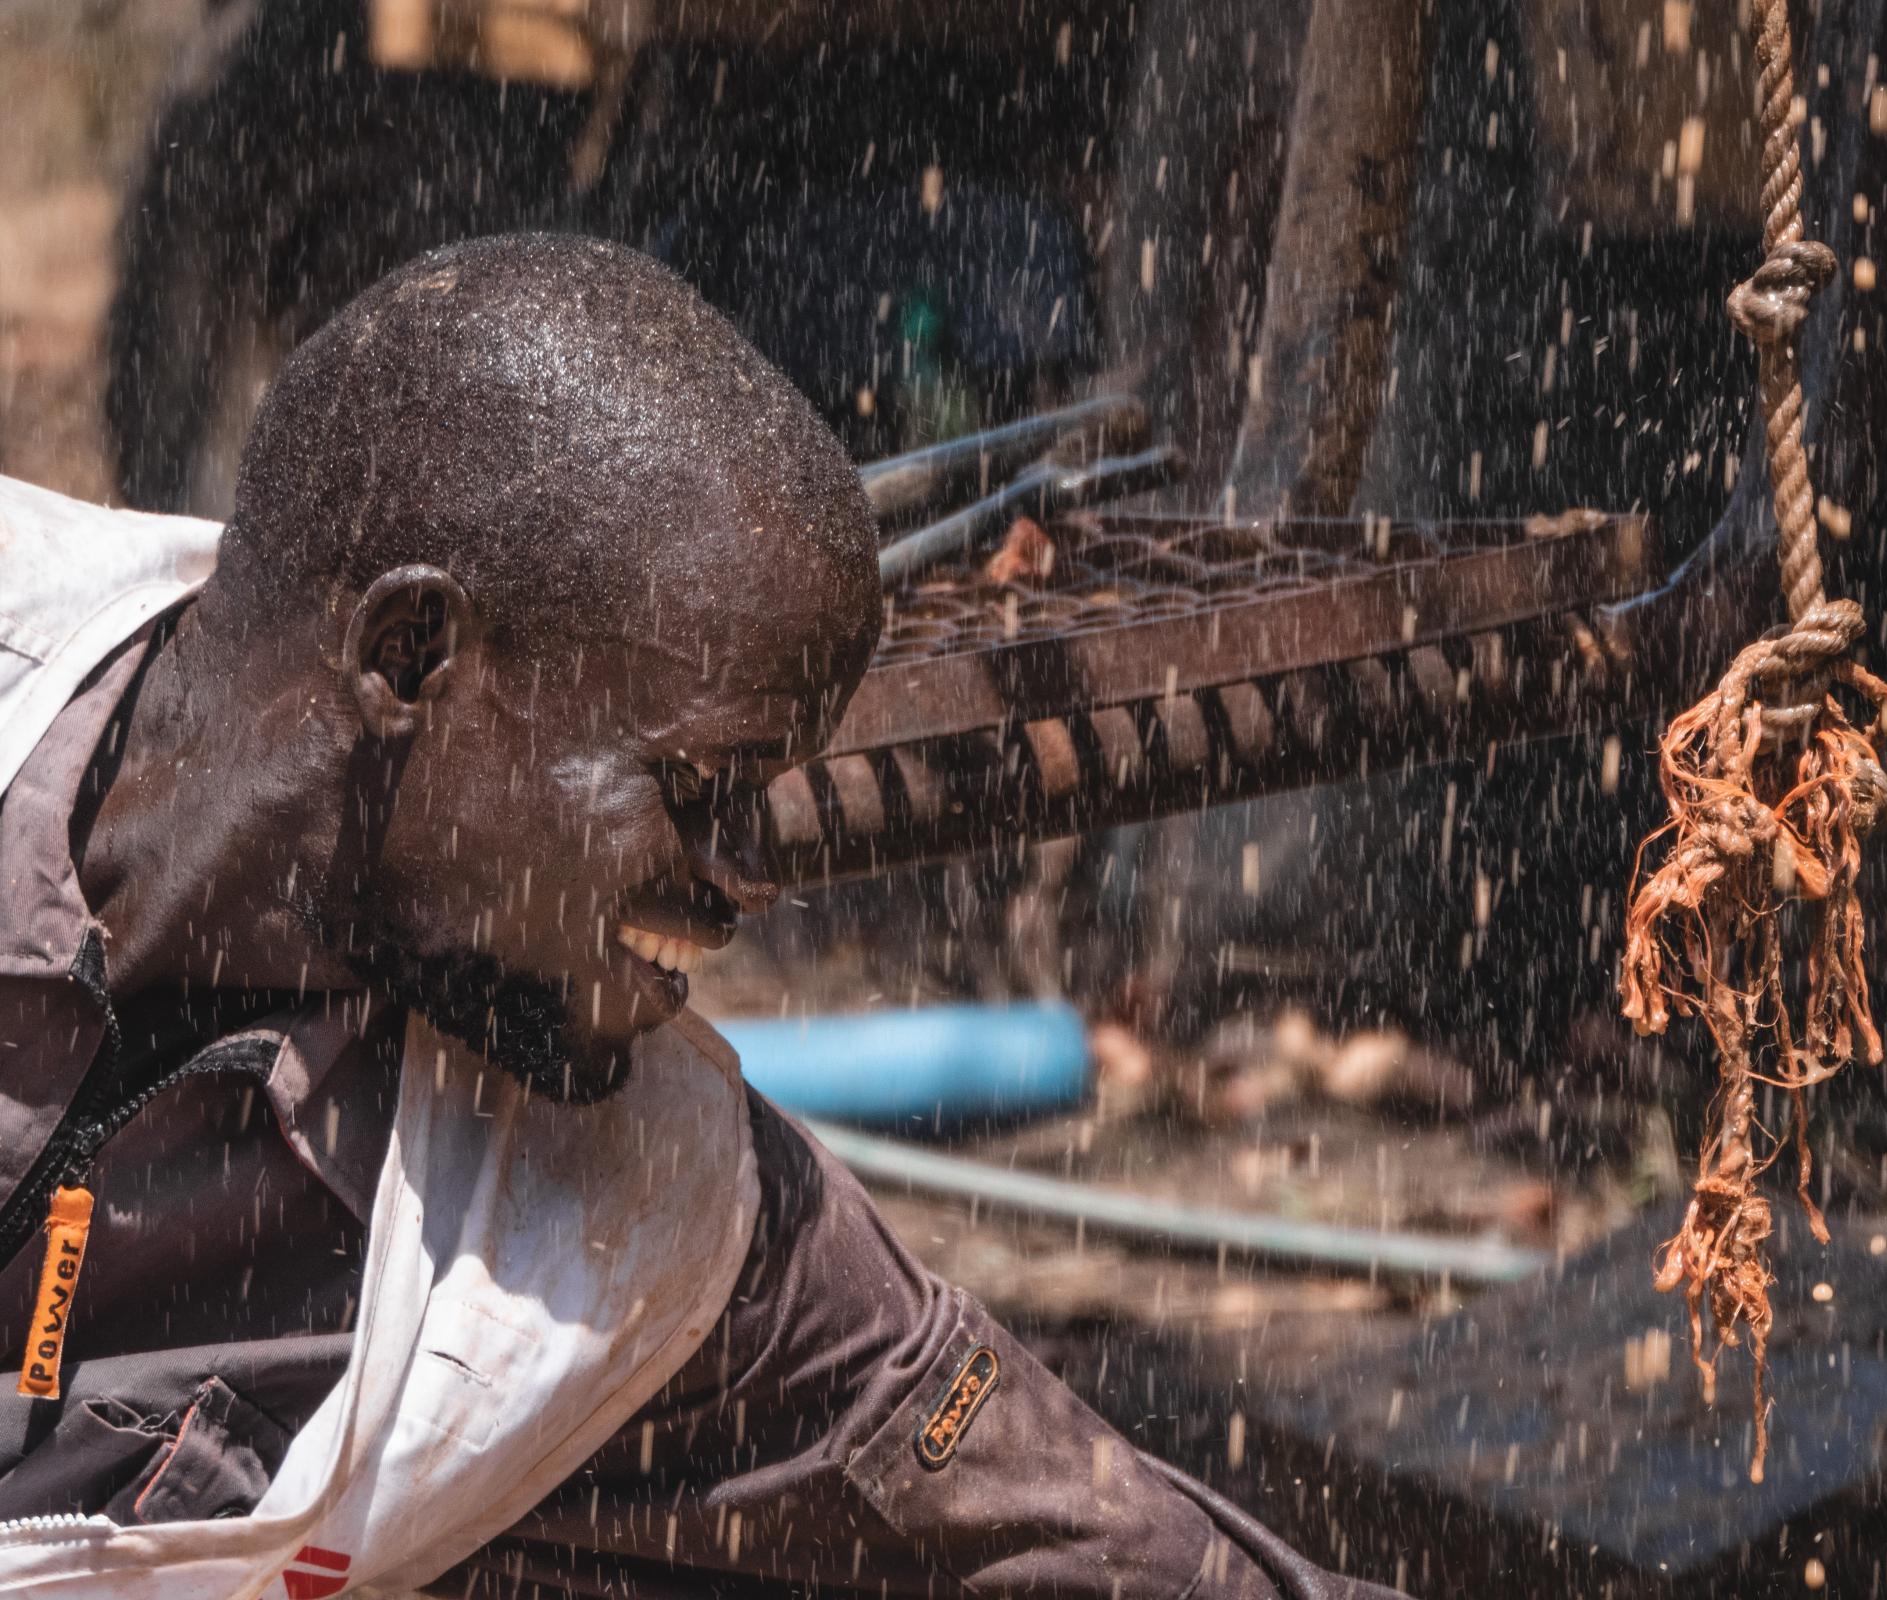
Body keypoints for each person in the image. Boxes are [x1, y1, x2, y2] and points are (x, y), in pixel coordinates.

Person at [0, 233, 1397, 1597]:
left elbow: (1092, 1536)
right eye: (697, 787)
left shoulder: (646, 1218)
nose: (745, 879)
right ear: (412, 658)